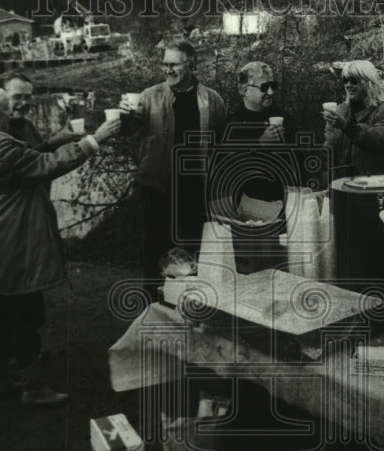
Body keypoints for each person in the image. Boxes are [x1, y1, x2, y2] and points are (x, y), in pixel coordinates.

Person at [0, 86, 121, 405]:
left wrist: (58, 138)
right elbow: (49, 165)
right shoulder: (3, 148)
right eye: (6, 109)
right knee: (27, 310)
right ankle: (32, 388)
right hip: (20, 238)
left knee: (1, 307)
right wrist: (96, 139)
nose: (11, 114)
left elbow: (30, 162)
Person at [119, 39, 227, 291]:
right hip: (158, 190)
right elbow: (128, 130)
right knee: (155, 254)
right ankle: (152, 309)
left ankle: (187, 309)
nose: (167, 70)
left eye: (174, 65)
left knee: (191, 257)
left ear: (192, 66)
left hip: (195, 192)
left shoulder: (213, 100)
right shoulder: (148, 96)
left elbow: (221, 144)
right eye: (164, 64)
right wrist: (125, 115)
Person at [220, 61, 292, 204]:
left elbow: (299, 161)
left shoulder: (284, 118)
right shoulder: (232, 125)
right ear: (244, 90)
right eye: (264, 87)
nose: (271, 92)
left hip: (286, 202)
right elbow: (225, 171)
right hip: (249, 207)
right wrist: (259, 145)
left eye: (273, 86)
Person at [322, 60, 384, 178]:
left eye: (354, 81)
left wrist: (346, 127)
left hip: (375, 185)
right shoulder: (341, 111)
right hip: (343, 186)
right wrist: (328, 185)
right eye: (345, 80)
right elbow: (328, 154)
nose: (348, 85)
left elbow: (378, 140)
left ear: (368, 83)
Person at [2, 73, 80, 153]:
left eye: (28, 97)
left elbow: (41, 156)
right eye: (16, 97)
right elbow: (26, 162)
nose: (24, 103)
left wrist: (62, 141)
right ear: (0, 98)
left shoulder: (28, 125)